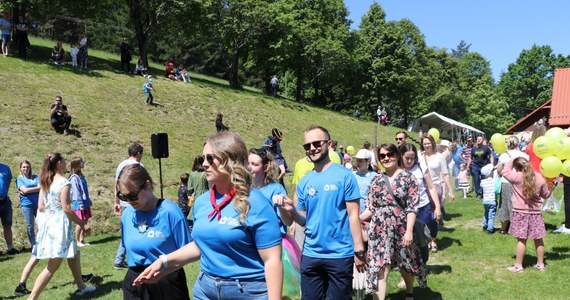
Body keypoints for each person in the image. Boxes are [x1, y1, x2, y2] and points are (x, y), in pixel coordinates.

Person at [133, 131, 283, 300]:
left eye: (210, 158)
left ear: (230, 160)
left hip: (246, 291)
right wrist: (164, 262)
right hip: (205, 290)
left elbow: (272, 260)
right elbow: (200, 245)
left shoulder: (256, 203)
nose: (204, 164)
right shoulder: (202, 202)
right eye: (203, 158)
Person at [276, 125, 365, 299]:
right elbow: (303, 221)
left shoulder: (345, 176)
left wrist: (359, 250)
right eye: (307, 146)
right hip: (311, 255)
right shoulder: (304, 181)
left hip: (340, 254)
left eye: (316, 143)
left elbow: (354, 215)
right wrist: (292, 211)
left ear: (329, 144)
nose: (312, 149)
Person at [360, 144, 426, 299]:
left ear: (397, 155)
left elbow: (412, 208)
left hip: (402, 229)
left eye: (389, 154)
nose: (386, 158)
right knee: (380, 268)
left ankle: (409, 291)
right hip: (379, 231)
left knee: (406, 265)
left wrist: (409, 231)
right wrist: (358, 219)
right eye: (382, 156)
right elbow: (372, 207)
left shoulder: (408, 178)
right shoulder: (376, 180)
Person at [118, 164, 192, 299]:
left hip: (167, 282)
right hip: (135, 282)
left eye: (133, 195)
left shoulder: (170, 212)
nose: (129, 201)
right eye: (123, 197)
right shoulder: (127, 215)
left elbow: (188, 251)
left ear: (147, 185)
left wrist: (164, 266)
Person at [29, 153, 95, 299]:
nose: (66, 163)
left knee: (74, 253)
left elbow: (41, 207)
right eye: (64, 161)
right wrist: (82, 223)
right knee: (53, 265)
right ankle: (32, 298)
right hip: (60, 226)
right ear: (59, 163)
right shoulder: (64, 182)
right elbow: (66, 208)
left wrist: (53, 213)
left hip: (50, 223)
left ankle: (81, 286)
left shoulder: (46, 181)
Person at [249, 147, 301, 297]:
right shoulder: (244, 190)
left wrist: (282, 207)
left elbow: (287, 220)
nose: (249, 167)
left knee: (278, 293)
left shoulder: (276, 189)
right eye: (248, 163)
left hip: (275, 246)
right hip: (251, 245)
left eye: (254, 164)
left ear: (265, 167)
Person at [398, 142, 441, 289]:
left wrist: (437, 206)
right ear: (401, 156)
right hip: (404, 212)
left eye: (412, 158)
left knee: (422, 243)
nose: (409, 161)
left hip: (422, 208)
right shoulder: (397, 170)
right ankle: (405, 275)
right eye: (406, 158)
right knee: (405, 244)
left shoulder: (421, 168)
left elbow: (431, 187)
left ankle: (423, 264)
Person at [502, 157, 552, 272]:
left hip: (520, 212)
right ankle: (540, 264)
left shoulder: (516, 177)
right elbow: (546, 195)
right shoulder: (539, 177)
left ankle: (518, 266)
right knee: (538, 239)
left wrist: (512, 159)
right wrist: (551, 188)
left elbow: (505, 172)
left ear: (516, 168)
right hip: (535, 213)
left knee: (521, 240)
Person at [420, 134, 455, 249]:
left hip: (436, 188)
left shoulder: (439, 157)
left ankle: (433, 240)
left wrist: (450, 191)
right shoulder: (419, 156)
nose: (426, 145)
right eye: (424, 143)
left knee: (434, 216)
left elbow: (445, 174)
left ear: (433, 143)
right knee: (424, 216)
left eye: (428, 143)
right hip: (422, 189)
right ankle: (425, 238)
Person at [114, 143, 144, 269]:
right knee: (138, 231)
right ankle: (126, 259)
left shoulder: (121, 165)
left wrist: (116, 202)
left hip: (124, 203)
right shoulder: (139, 166)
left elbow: (116, 185)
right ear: (138, 153)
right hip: (136, 204)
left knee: (126, 232)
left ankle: (120, 259)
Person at [351, 149, 377, 297]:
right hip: (354, 217)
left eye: (361, 160)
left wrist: (367, 217)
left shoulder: (374, 177)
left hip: (368, 218)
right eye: (357, 160)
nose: (358, 163)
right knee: (356, 248)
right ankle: (357, 286)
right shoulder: (352, 176)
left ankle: (368, 283)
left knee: (367, 250)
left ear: (368, 162)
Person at [497, 136, 528, 234]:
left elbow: (499, 170)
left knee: (505, 205)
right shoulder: (524, 155)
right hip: (521, 182)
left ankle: (503, 228)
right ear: (517, 143)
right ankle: (518, 227)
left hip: (506, 182)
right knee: (519, 204)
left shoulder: (503, 156)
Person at [16, 160, 40, 248]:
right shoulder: (19, 179)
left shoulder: (35, 177)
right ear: (21, 168)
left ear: (30, 168)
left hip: (38, 204)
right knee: (30, 225)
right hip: (27, 205)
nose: (26, 169)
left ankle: (41, 241)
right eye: (24, 167)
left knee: (41, 223)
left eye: (27, 167)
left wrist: (27, 190)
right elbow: (24, 190)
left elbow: (41, 187)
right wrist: (36, 188)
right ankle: (33, 244)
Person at [69, 157, 92, 246]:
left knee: (85, 220)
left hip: (85, 201)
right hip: (79, 202)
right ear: (77, 165)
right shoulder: (74, 178)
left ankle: (82, 239)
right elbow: (76, 192)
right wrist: (81, 204)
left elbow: (84, 190)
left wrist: (88, 200)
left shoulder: (81, 175)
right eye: (81, 162)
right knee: (80, 221)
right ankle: (77, 240)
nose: (83, 163)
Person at [187, 155, 209, 231]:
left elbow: (189, 188)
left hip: (195, 196)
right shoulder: (206, 173)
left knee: (194, 215)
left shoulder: (192, 174)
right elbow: (210, 186)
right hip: (206, 195)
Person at [0, 160, 15, 254]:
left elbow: (8, 181)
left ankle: (10, 248)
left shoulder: (6, 168)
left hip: (5, 201)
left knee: (7, 225)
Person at [480, 164, 497, 234]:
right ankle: (490, 229)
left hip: (485, 201)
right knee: (491, 215)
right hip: (492, 201)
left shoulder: (483, 182)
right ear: (490, 173)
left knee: (486, 213)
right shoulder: (494, 181)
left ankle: (484, 225)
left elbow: (481, 187)